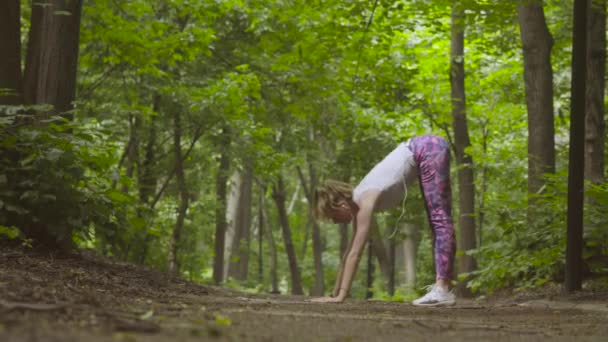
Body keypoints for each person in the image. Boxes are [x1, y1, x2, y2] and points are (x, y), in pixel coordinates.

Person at [311, 134, 456, 306]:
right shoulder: (359, 201)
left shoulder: (365, 200)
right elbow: (348, 254)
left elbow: (355, 255)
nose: (335, 222)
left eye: (333, 217)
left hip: (428, 148)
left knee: (439, 218)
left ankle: (442, 289)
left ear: (341, 205)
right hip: (426, 148)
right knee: (437, 220)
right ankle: (442, 287)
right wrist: (334, 294)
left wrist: (340, 298)